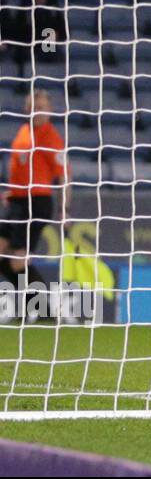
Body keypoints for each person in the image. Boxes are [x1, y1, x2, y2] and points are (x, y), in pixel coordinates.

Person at [1, 91, 64, 321]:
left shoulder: (51, 138)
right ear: (27, 109)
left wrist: (65, 207)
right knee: (4, 257)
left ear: (50, 111)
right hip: (16, 200)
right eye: (34, 106)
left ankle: (44, 310)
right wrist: (13, 190)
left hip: (35, 202)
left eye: (43, 106)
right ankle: (33, 305)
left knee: (18, 259)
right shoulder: (24, 131)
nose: (38, 110)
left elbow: (64, 175)